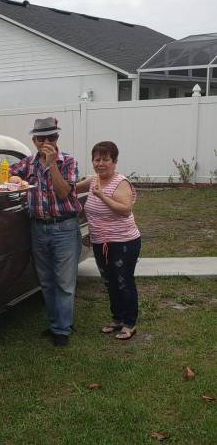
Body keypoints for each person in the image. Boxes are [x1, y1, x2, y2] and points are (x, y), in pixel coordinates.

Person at [10, 117, 82, 346]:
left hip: (64, 227)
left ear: (57, 138)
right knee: (47, 281)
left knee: (64, 282)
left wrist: (52, 165)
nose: (47, 141)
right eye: (42, 138)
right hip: (38, 227)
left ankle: (62, 329)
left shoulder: (68, 162)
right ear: (34, 140)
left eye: (52, 137)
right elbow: (4, 175)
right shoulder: (27, 164)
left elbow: (63, 193)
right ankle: (55, 324)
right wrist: (10, 177)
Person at [77, 141, 141, 340]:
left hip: (124, 243)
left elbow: (125, 210)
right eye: (97, 159)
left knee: (124, 281)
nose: (100, 163)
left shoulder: (121, 182)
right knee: (110, 282)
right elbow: (71, 188)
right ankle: (117, 319)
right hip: (100, 242)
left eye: (105, 159)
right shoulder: (93, 180)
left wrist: (102, 196)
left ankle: (130, 323)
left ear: (114, 161)